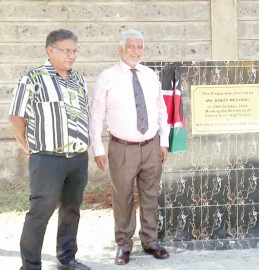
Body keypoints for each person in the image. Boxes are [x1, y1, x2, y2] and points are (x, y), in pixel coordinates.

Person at [8, 29, 90, 270]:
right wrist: (25, 145)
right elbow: (16, 116)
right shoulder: (32, 78)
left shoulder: (79, 79)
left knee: (72, 209)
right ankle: (30, 265)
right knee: (40, 212)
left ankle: (67, 258)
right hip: (47, 159)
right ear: (50, 50)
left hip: (78, 158)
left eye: (74, 50)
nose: (72, 55)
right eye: (67, 50)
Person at [89, 29, 170, 264]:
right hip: (122, 148)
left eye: (140, 47)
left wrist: (163, 141)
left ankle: (151, 240)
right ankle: (124, 244)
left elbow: (161, 110)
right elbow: (96, 115)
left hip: (151, 146)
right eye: (131, 47)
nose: (136, 51)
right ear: (120, 49)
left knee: (150, 195)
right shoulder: (108, 76)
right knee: (122, 196)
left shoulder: (150, 74)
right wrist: (98, 149)